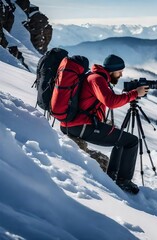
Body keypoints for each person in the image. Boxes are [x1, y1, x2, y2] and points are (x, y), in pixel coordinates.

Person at [60, 54, 148, 194]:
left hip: (78, 124)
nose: (121, 75)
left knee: (121, 139)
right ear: (112, 71)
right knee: (131, 141)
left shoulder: (95, 77)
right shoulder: (97, 79)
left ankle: (113, 175)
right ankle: (123, 182)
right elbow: (111, 102)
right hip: (82, 126)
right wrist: (134, 94)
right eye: (119, 71)